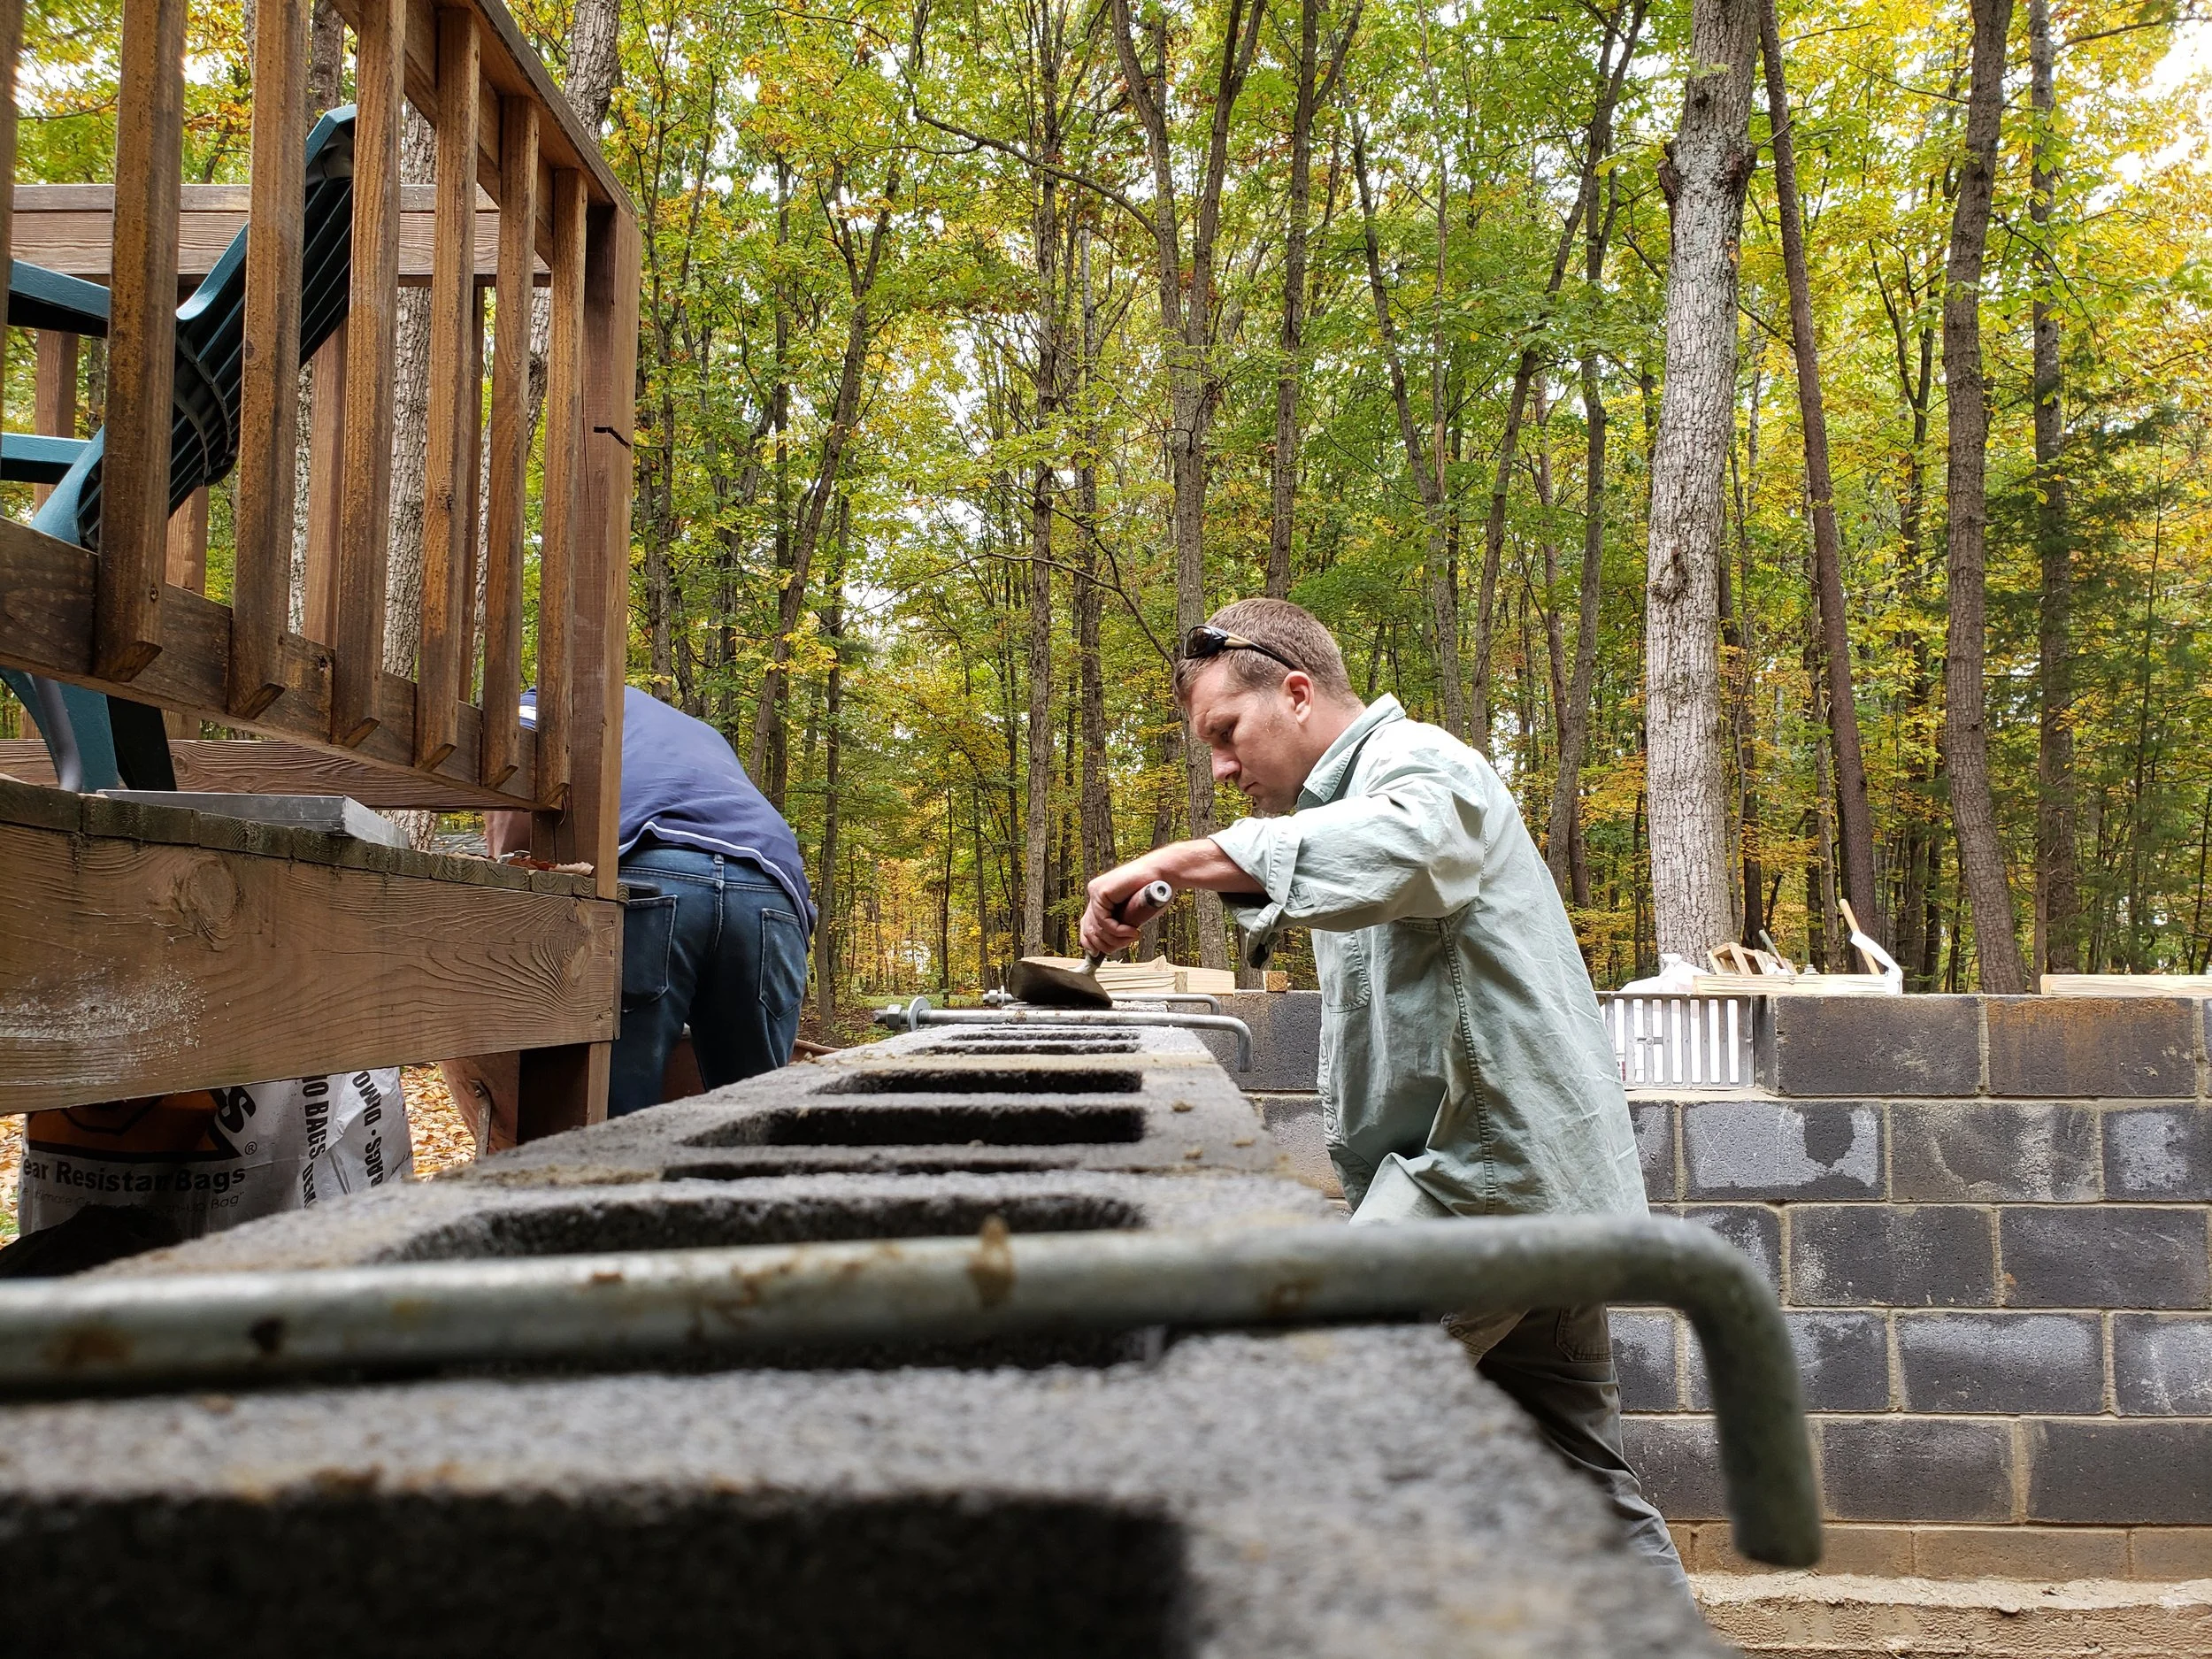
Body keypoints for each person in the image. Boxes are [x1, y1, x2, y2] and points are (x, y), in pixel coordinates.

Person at [1079, 597, 1686, 1592]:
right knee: (1577, 1493)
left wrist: (1182, 860)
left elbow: (1412, 846)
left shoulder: (1418, 763)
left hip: (1485, 1189)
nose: (1223, 769)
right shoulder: (1346, 809)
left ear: (1298, 693)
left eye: (1226, 735)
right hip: (1522, 1192)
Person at [490, 686, 814, 1118]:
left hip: (654, 874)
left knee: (615, 1121)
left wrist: (498, 863)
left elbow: (511, 780)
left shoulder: (547, 699)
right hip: (771, 888)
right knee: (759, 1124)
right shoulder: (698, 733)